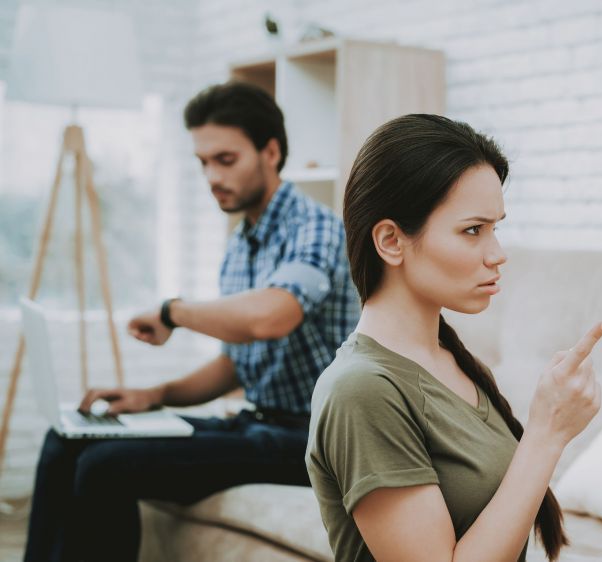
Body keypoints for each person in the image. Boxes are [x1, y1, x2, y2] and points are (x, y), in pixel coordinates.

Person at [24, 81, 360, 562]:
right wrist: (154, 397)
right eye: (203, 162)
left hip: (312, 440)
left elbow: (271, 317)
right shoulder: (241, 243)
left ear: (271, 151)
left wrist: (172, 312)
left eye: (225, 159)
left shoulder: (317, 228)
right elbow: (238, 366)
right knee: (69, 439)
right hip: (256, 422)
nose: (211, 176)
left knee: (106, 466)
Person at [306, 114, 602, 562]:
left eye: (496, 228)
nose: (497, 254)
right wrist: (547, 433)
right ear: (391, 241)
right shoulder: (362, 390)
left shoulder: (452, 361)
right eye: (473, 230)